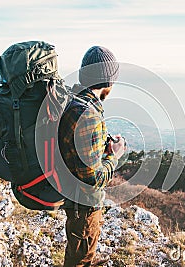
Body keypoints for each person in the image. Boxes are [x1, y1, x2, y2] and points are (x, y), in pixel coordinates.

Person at [58, 46, 126, 266]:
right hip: (83, 205)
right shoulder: (88, 114)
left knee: (78, 253)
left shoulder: (75, 100)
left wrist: (102, 146)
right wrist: (114, 156)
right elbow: (93, 178)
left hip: (73, 197)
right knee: (80, 259)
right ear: (108, 83)